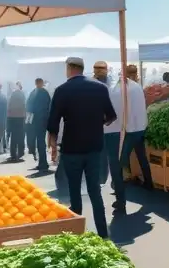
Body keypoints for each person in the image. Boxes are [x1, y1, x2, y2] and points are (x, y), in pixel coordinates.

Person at [47, 57, 116, 238]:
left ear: (69, 69)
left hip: (72, 148)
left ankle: (77, 235)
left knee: (74, 191)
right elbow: (111, 116)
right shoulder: (100, 88)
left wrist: (53, 146)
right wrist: (96, 123)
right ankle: (103, 233)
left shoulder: (62, 90)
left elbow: (53, 121)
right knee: (95, 190)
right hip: (94, 147)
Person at [106, 64, 153, 208]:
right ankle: (149, 182)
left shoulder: (120, 89)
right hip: (140, 127)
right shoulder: (137, 87)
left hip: (128, 130)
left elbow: (117, 111)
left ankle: (119, 193)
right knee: (141, 156)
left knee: (120, 162)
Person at [27, 77, 51, 174]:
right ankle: (41, 162)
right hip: (36, 120)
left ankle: (43, 164)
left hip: (41, 121)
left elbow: (48, 107)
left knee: (40, 142)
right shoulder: (35, 92)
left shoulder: (43, 93)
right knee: (38, 142)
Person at [6, 81, 27, 162]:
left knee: (14, 137)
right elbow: (25, 106)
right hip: (21, 118)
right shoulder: (22, 95)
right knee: (21, 136)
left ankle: (13, 154)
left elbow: (9, 107)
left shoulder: (12, 95)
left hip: (13, 118)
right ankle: (21, 153)